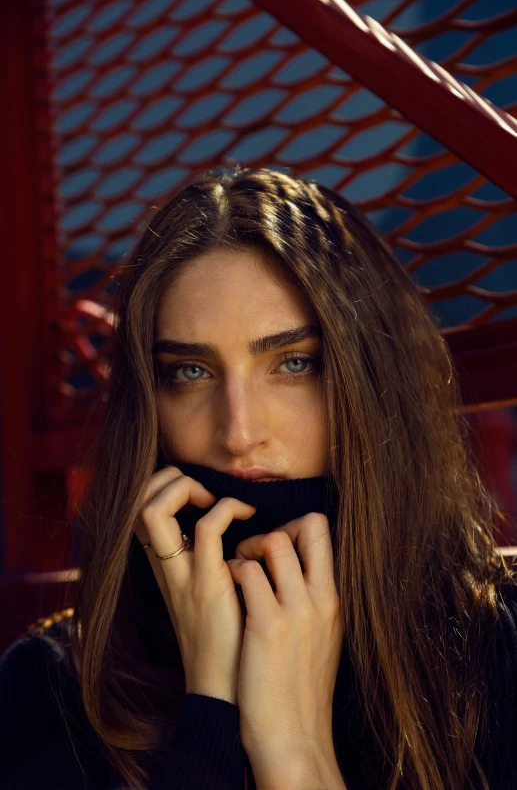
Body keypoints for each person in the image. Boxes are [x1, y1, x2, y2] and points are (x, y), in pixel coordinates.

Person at [1, 166, 516, 790]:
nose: (239, 433)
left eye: (294, 363)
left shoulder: (498, 647)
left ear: (368, 382)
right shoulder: (52, 688)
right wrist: (210, 702)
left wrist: (295, 752)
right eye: (190, 373)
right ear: (148, 408)